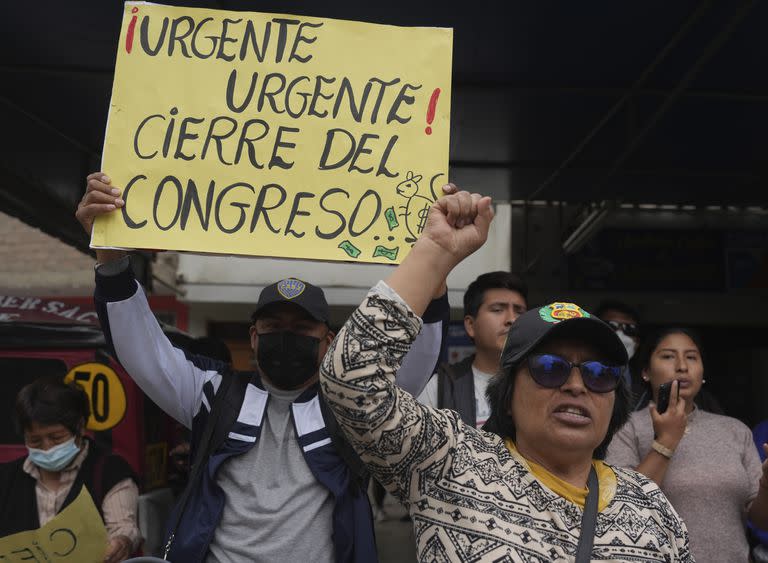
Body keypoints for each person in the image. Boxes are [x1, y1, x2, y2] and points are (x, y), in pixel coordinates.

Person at [76, 172, 448, 563]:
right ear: (253, 337)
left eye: (301, 328)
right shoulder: (212, 393)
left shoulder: (355, 406)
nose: (285, 337)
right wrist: (111, 258)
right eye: (273, 328)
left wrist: (437, 258)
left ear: (328, 340)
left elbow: (416, 359)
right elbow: (143, 351)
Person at [319, 189, 694, 561]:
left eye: (598, 374)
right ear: (508, 395)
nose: (576, 385)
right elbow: (351, 378)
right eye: (550, 368)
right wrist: (435, 251)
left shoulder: (650, 505)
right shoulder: (450, 463)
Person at [606, 327, 768, 563]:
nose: (682, 366)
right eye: (668, 356)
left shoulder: (734, 430)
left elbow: (761, 520)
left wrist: (767, 485)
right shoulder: (626, 429)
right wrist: (666, 441)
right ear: (646, 372)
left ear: (702, 372)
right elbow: (624, 508)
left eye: (691, 357)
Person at [0, 377, 140, 563]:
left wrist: (121, 543)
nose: (47, 447)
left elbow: (123, 528)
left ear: (80, 427)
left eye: (56, 438)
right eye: (35, 441)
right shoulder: (6, 477)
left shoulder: (109, 472)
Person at [418, 271, 527, 428]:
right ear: (470, 325)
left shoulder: (544, 381)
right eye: (497, 309)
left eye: (520, 312)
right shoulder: (440, 386)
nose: (512, 319)